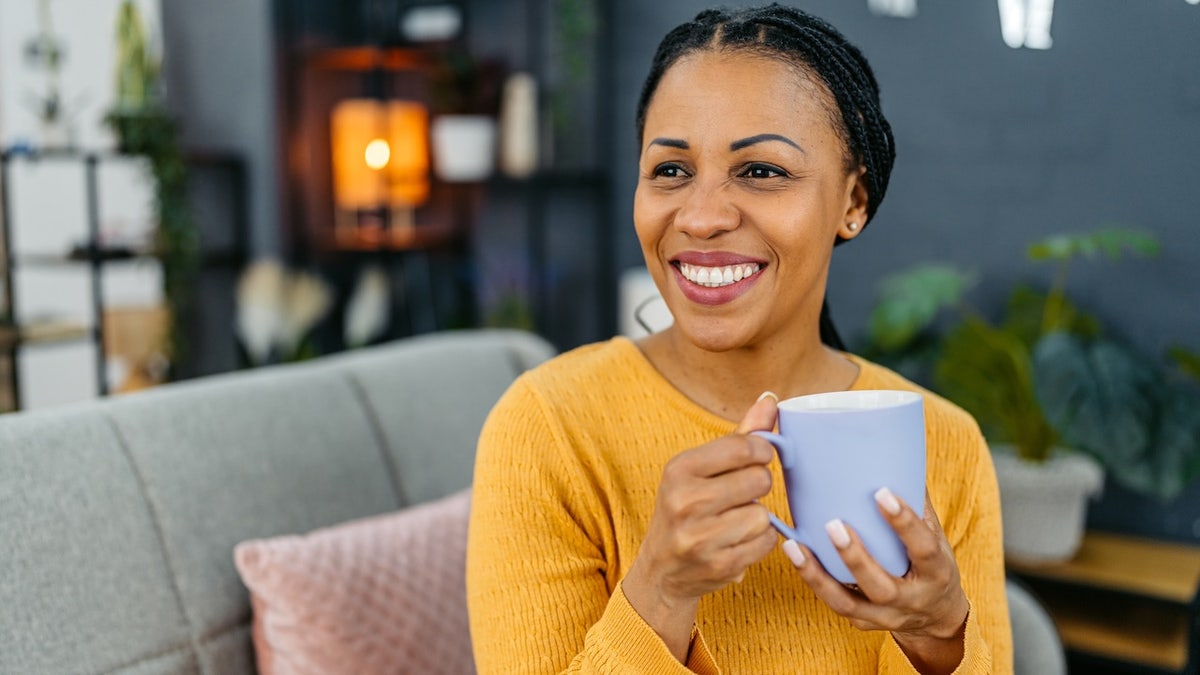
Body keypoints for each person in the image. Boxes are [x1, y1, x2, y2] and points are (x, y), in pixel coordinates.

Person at [467, 4, 1012, 673]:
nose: (701, 216)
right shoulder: (548, 430)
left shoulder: (947, 445)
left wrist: (939, 635)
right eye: (671, 170)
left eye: (761, 171)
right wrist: (659, 591)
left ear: (854, 201)